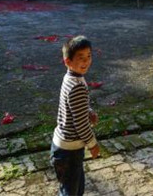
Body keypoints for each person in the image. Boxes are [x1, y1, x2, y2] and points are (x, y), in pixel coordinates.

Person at [51, 36, 100, 196]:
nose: (86, 61)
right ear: (68, 61)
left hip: (65, 147)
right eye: (81, 58)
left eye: (89, 56)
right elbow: (80, 125)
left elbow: (74, 108)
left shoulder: (71, 77)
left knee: (74, 188)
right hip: (69, 151)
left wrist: (88, 111)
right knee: (70, 192)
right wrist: (93, 144)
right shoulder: (77, 86)